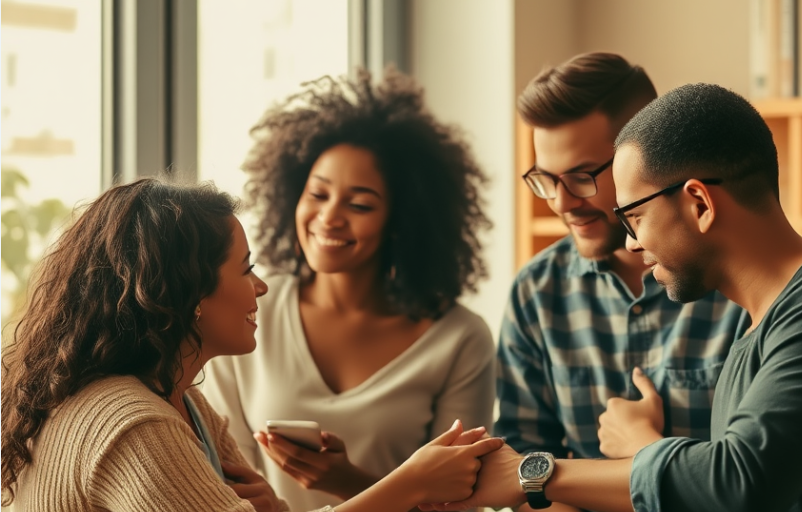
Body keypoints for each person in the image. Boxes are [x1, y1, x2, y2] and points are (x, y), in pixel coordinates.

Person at [422, 83, 802, 512]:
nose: (633, 243)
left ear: (699, 202)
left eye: (634, 218)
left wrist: (542, 472)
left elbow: (736, 482)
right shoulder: (759, 323)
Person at [0, 178, 503, 512]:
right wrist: (408, 483)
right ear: (188, 292)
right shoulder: (135, 424)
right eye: (245, 269)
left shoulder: (186, 402)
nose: (261, 287)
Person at [201, 68, 497, 511]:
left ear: (402, 222)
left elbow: (460, 503)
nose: (330, 218)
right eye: (317, 194)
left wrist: (348, 481)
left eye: (359, 204)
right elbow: (225, 486)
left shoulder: (459, 340)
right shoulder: (245, 306)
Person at [497, 52, 747, 511]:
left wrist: (642, 449)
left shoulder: (738, 285)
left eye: (580, 177)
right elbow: (520, 470)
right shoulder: (536, 293)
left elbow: (750, 482)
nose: (561, 203)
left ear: (641, 157)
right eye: (544, 180)